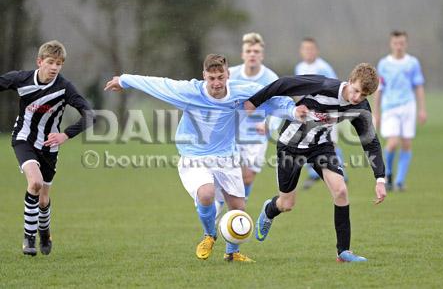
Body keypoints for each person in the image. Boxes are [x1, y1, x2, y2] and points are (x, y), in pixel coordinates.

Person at [104, 54, 301, 262]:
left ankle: (232, 253)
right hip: (193, 156)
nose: (216, 83)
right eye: (211, 78)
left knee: (239, 209)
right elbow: (158, 84)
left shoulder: (241, 91)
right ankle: (209, 235)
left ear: (227, 75)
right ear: (204, 76)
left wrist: (293, 111)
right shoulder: (189, 92)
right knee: (206, 194)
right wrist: (124, 80)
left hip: (226, 156)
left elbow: (272, 97)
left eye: (220, 77)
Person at [245, 63, 387, 262]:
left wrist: (380, 178)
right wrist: (253, 102)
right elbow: (284, 83)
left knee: (341, 190)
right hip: (291, 146)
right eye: (355, 91)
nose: (357, 98)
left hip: (321, 146)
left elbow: (370, 141)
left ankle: (344, 252)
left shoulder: (359, 107)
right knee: (286, 204)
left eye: (363, 95)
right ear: (350, 80)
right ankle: (270, 209)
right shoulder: (323, 85)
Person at [0, 40, 95, 256]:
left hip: (49, 148)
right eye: (50, 62)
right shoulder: (21, 79)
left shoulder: (64, 87)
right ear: (39, 61)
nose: (54, 67)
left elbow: (91, 116)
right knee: (34, 183)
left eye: (59, 63)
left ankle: (45, 232)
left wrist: (65, 134)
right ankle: (29, 238)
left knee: (43, 200)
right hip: (23, 139)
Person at [228, 32, 280, 201]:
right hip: (231, 132)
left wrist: (269, 125)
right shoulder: (230, 75)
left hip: (256, 134)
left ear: (262, 55)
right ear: (243, 54)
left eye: (256, 51)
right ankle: (225, 213)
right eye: (249, 51)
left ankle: (239, 208)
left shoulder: (271, 79)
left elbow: (280, 107)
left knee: (247, 177)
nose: (252, 54)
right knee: (229, 175)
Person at [374, 30, 426, 191]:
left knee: (406, 144)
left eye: (402, 43)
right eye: (396, 43)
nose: (399, 46)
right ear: (391, 44)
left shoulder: (413, 63)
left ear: (406, 44)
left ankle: (400, 181)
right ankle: (388, 174)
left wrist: (422, 109)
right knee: (392, 143)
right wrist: (376, 113)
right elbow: (379, 89)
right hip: (390, 107)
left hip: (408, 106)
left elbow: (418, 86)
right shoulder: (384, 64)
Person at [294, 37, 348, 189]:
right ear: (301, 51)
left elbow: (335, 89)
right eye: (305, 49)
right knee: (307, 142)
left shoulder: (324, 67)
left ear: (316, 50)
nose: (308, 52)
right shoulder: (299, 68)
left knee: (330, 142)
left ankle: (341, 172)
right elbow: (298, 90)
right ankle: (313, 174)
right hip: (308, 112)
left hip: (326, 112)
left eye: (311, 49)